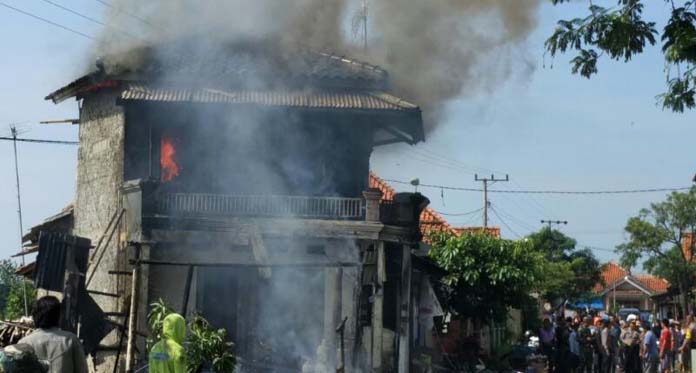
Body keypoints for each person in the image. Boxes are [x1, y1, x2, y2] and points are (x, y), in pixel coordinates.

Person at [18, 296, 88, 373]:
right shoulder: (71, 340)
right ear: (59, 316)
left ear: (35, 317)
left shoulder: (23, 343)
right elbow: (82, 370)